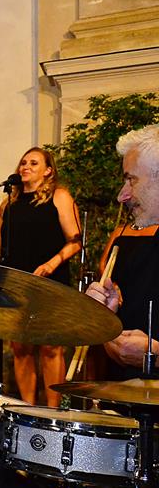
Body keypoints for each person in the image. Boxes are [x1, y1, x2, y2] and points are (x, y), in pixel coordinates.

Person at [0, 147, 81, 406]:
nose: (26, 166)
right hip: (16, 284)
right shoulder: (8, 204)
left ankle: (53, 411)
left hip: (49, 282)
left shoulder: (59, 197)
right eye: (23, 162)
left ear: (48, 171)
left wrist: (51, 264)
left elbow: (76, 241)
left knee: (51, 347)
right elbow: (0, 249)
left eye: (34, 163)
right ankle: (28, 409)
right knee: (20, 347)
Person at [87, 124, 159, 378]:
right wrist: (109, 317)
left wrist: (155, 356)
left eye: (131, 179)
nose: (122, 195)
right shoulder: (146, 247)